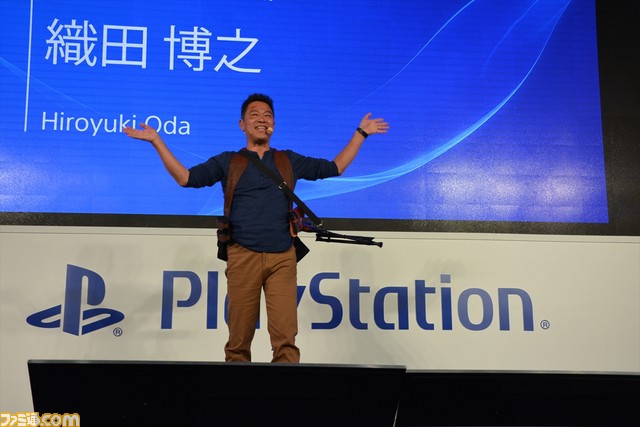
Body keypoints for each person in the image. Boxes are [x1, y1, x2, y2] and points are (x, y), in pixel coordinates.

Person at [123, 93, 389, 363]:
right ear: (242, 124)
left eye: (267, 115)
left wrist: (361, 133)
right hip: (242, 255)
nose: (262, 119)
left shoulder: (288, 160)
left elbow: (335, 167)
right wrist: (157, 141)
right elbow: (185, 178)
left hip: (283, 257)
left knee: (286, 343)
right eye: (254, 115)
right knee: (238, 345)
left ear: (274, 124)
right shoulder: (228, 161)